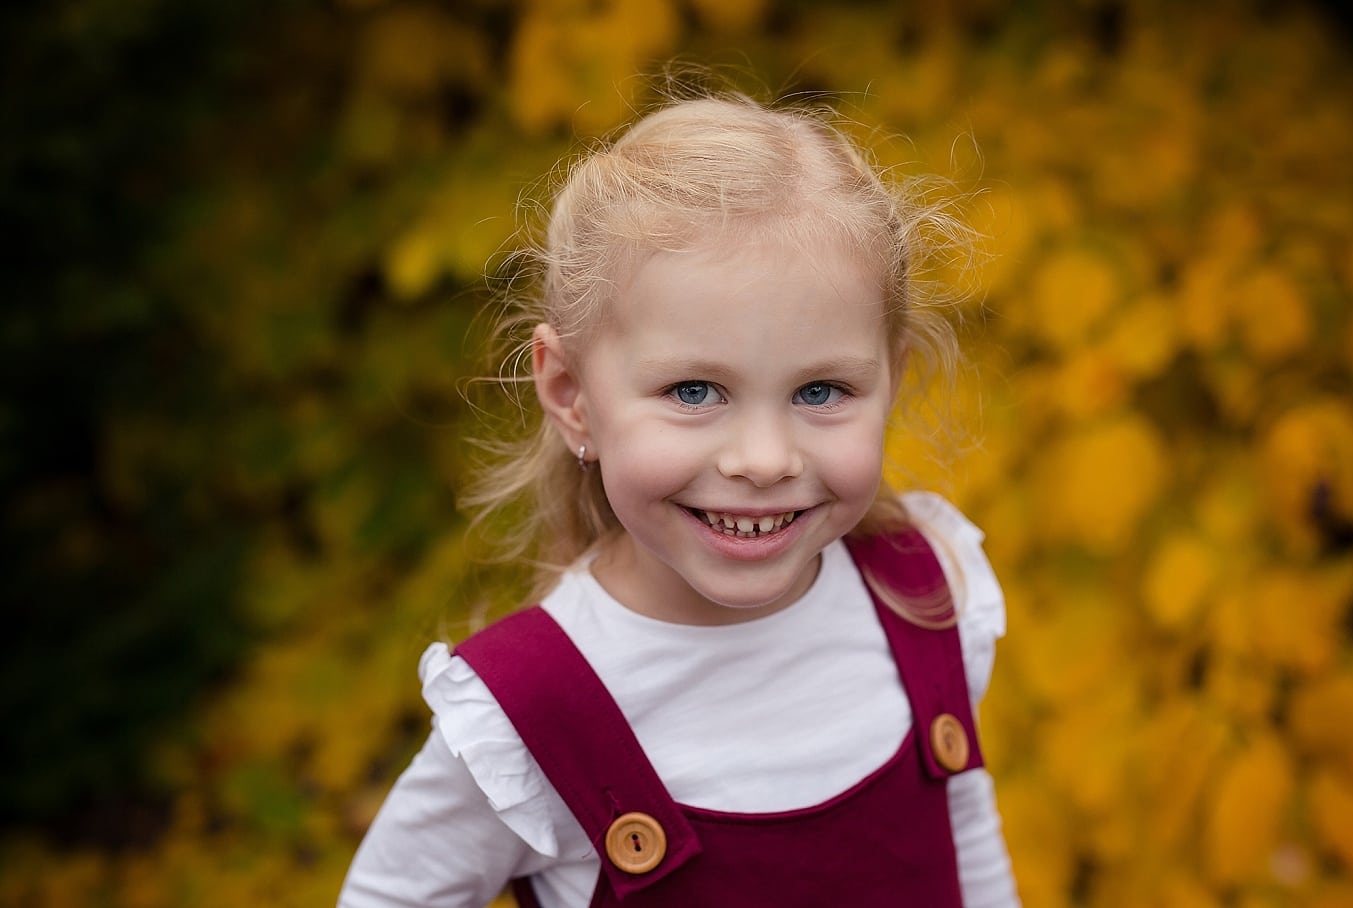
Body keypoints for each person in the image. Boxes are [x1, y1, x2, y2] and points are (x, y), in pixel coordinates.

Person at [339, 92, 1018, 906]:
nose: (764, 460)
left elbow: (966, 841)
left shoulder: (924, 601)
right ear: (571, 393)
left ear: (891, 380)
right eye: (694, 390)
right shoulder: (533, 711)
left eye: (822, 390)